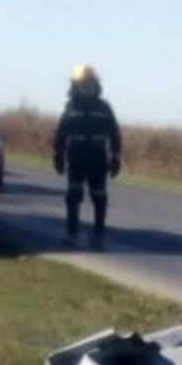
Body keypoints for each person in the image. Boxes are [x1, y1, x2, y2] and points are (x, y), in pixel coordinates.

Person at [53, 64, 122, 249]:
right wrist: (58, 154)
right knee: (73, 196)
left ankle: (99, 236)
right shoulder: (71, 107)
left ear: (95, 84)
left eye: (88, 84)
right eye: (81, 84)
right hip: (76, 158)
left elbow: (114, 132)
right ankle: (72, 235)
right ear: (75, 85)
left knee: (99, 197)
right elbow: (61, 132)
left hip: (98, 159)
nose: (85, 88)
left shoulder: (104, 107)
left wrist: (116, 156)